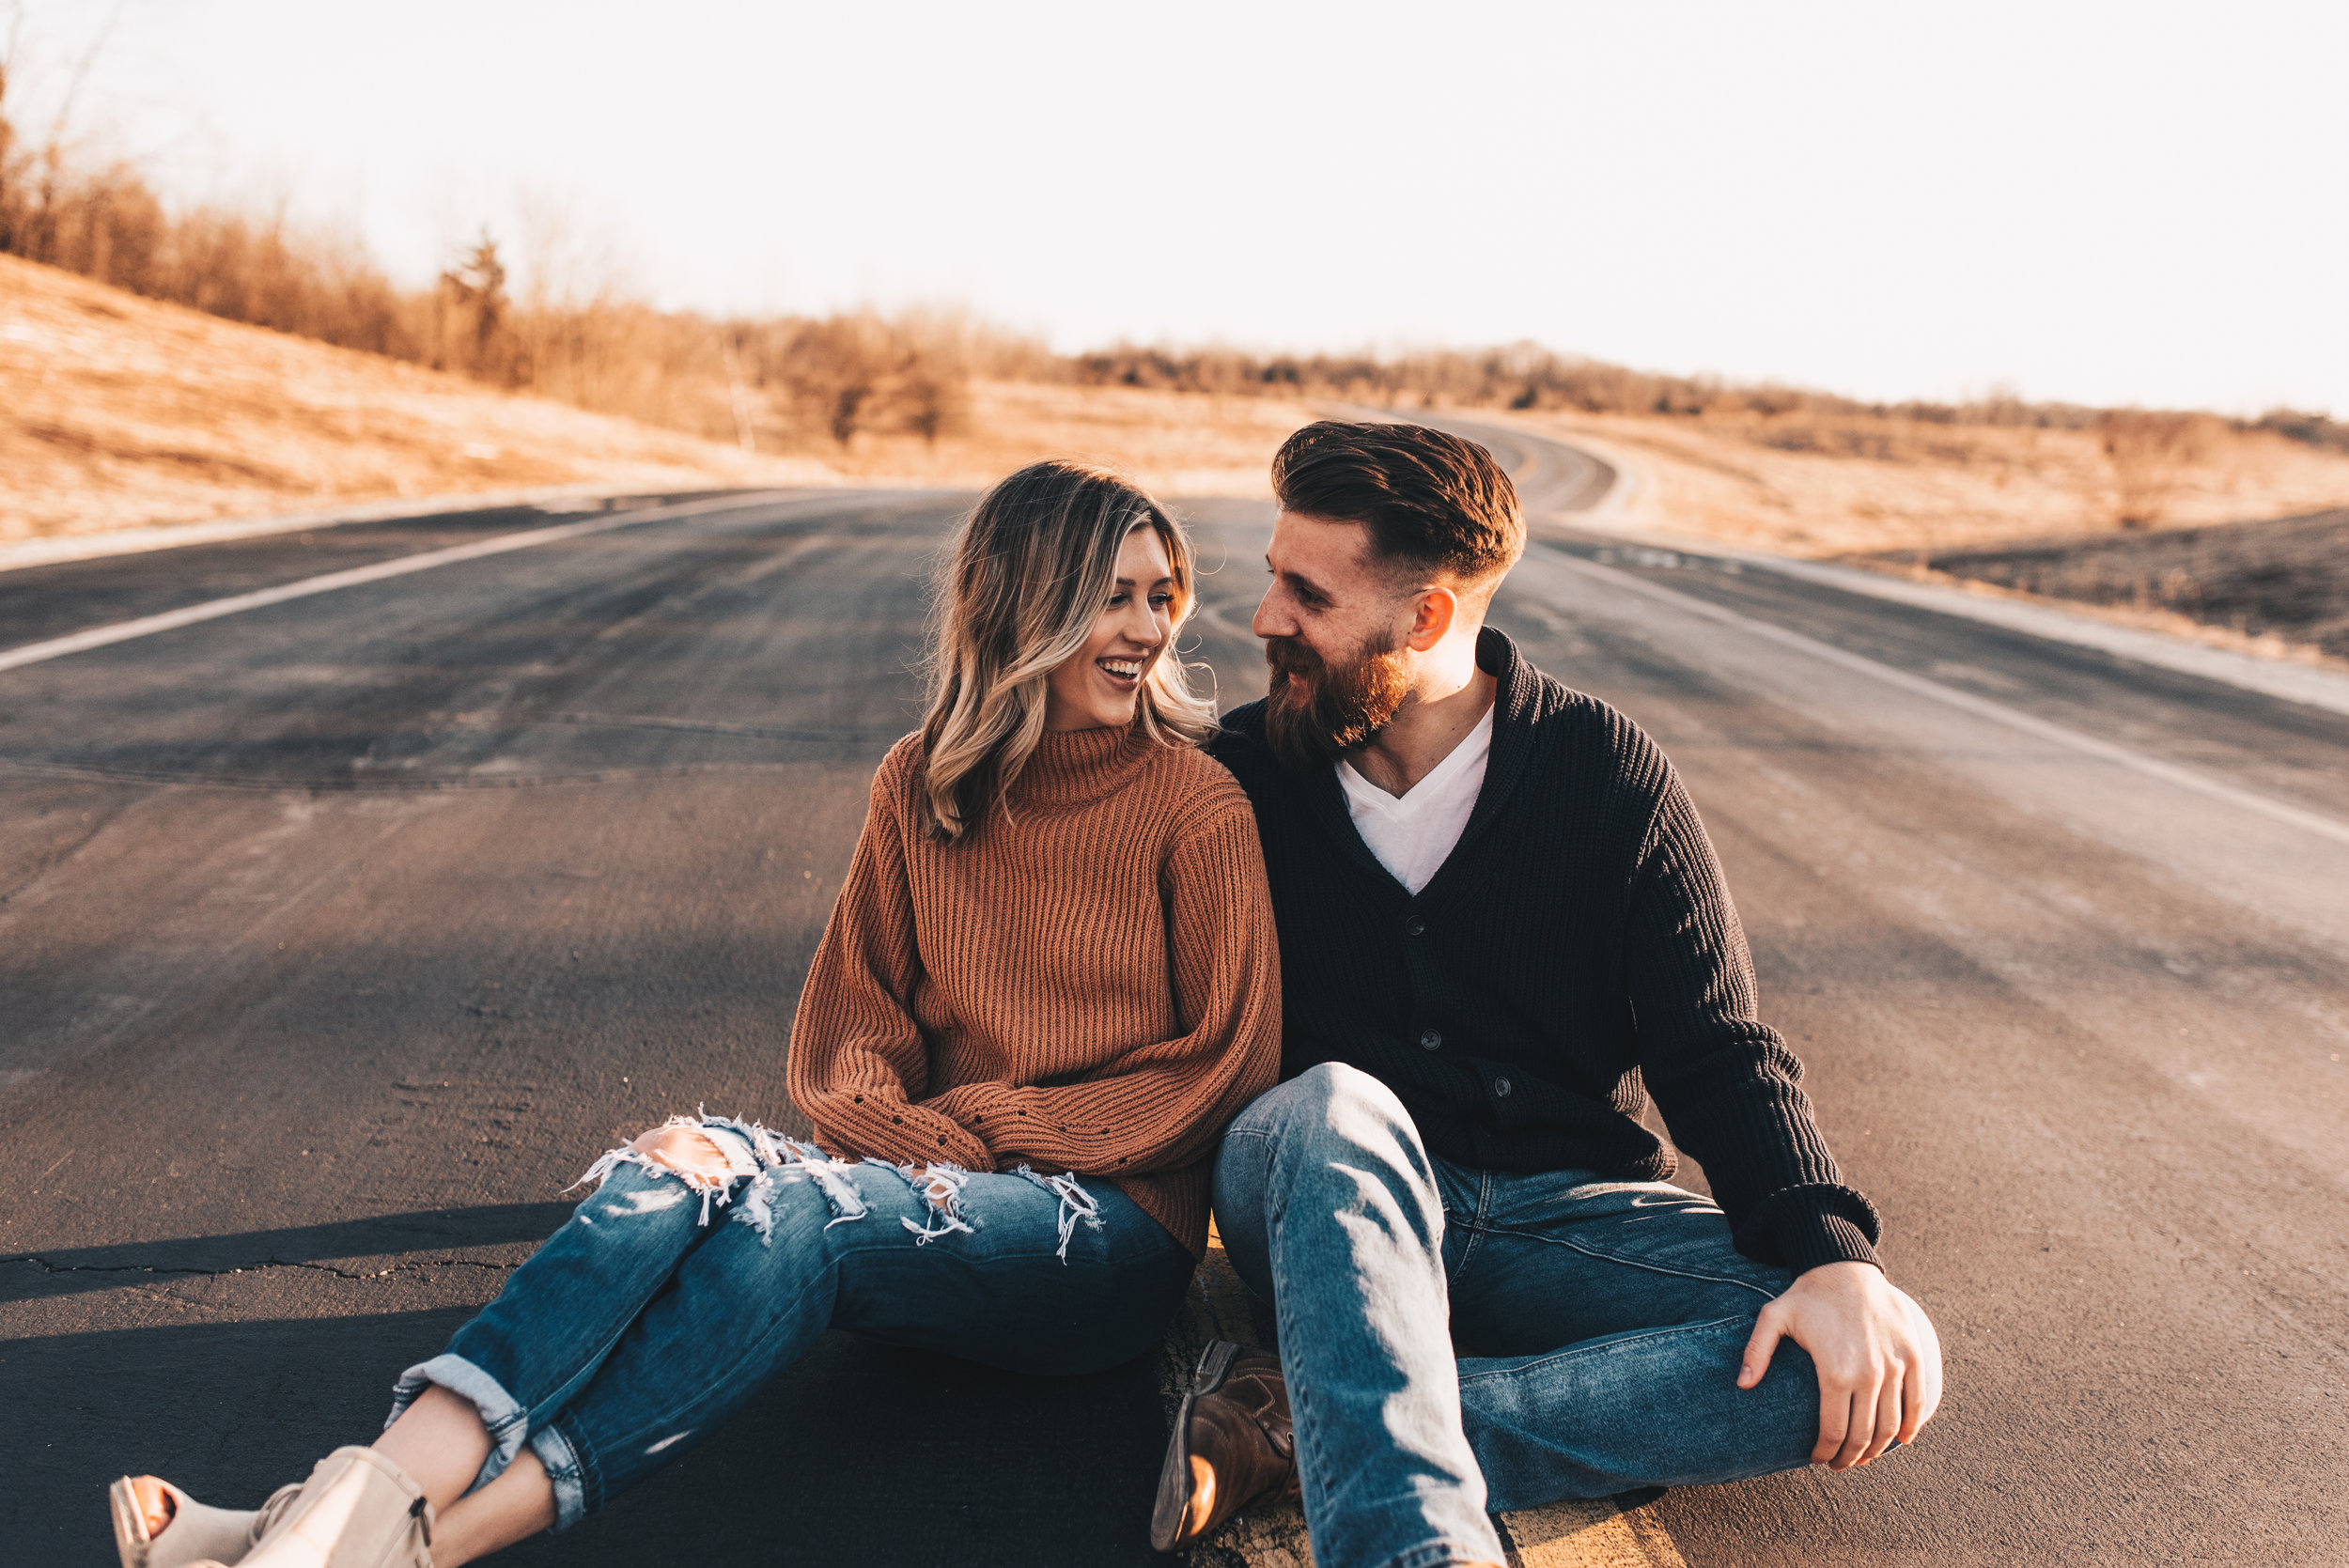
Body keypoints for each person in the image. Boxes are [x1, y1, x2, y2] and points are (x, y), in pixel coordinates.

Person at [111, 459, 1283, 1568]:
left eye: (1159, 597)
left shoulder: (1196, 804)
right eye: (1112, 597)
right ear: (1024, 605)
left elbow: (1217, 1069)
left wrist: (967, 1130)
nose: (1146, 629)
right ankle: (346, 1509)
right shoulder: (922, 782)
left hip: (1105, 1234)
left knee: (798, 1216)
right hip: (924, 1190)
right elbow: (846, 1038)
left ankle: (417, 1540)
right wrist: (928, 1145)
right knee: (677, 1165)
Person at [1150, 423, 1943, 1568]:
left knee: (1858, 1355)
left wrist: (1833, 1254)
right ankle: (1408, 1512)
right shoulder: (1236, 778)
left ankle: (1304, 1423)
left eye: (1305, 592)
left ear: (1424, 619)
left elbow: (1717, 1047)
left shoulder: (1605, 773)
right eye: (1276, 576)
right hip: (1328, 1194)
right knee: (1335, 1103)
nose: (1265, 616)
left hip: (1562, 1218)